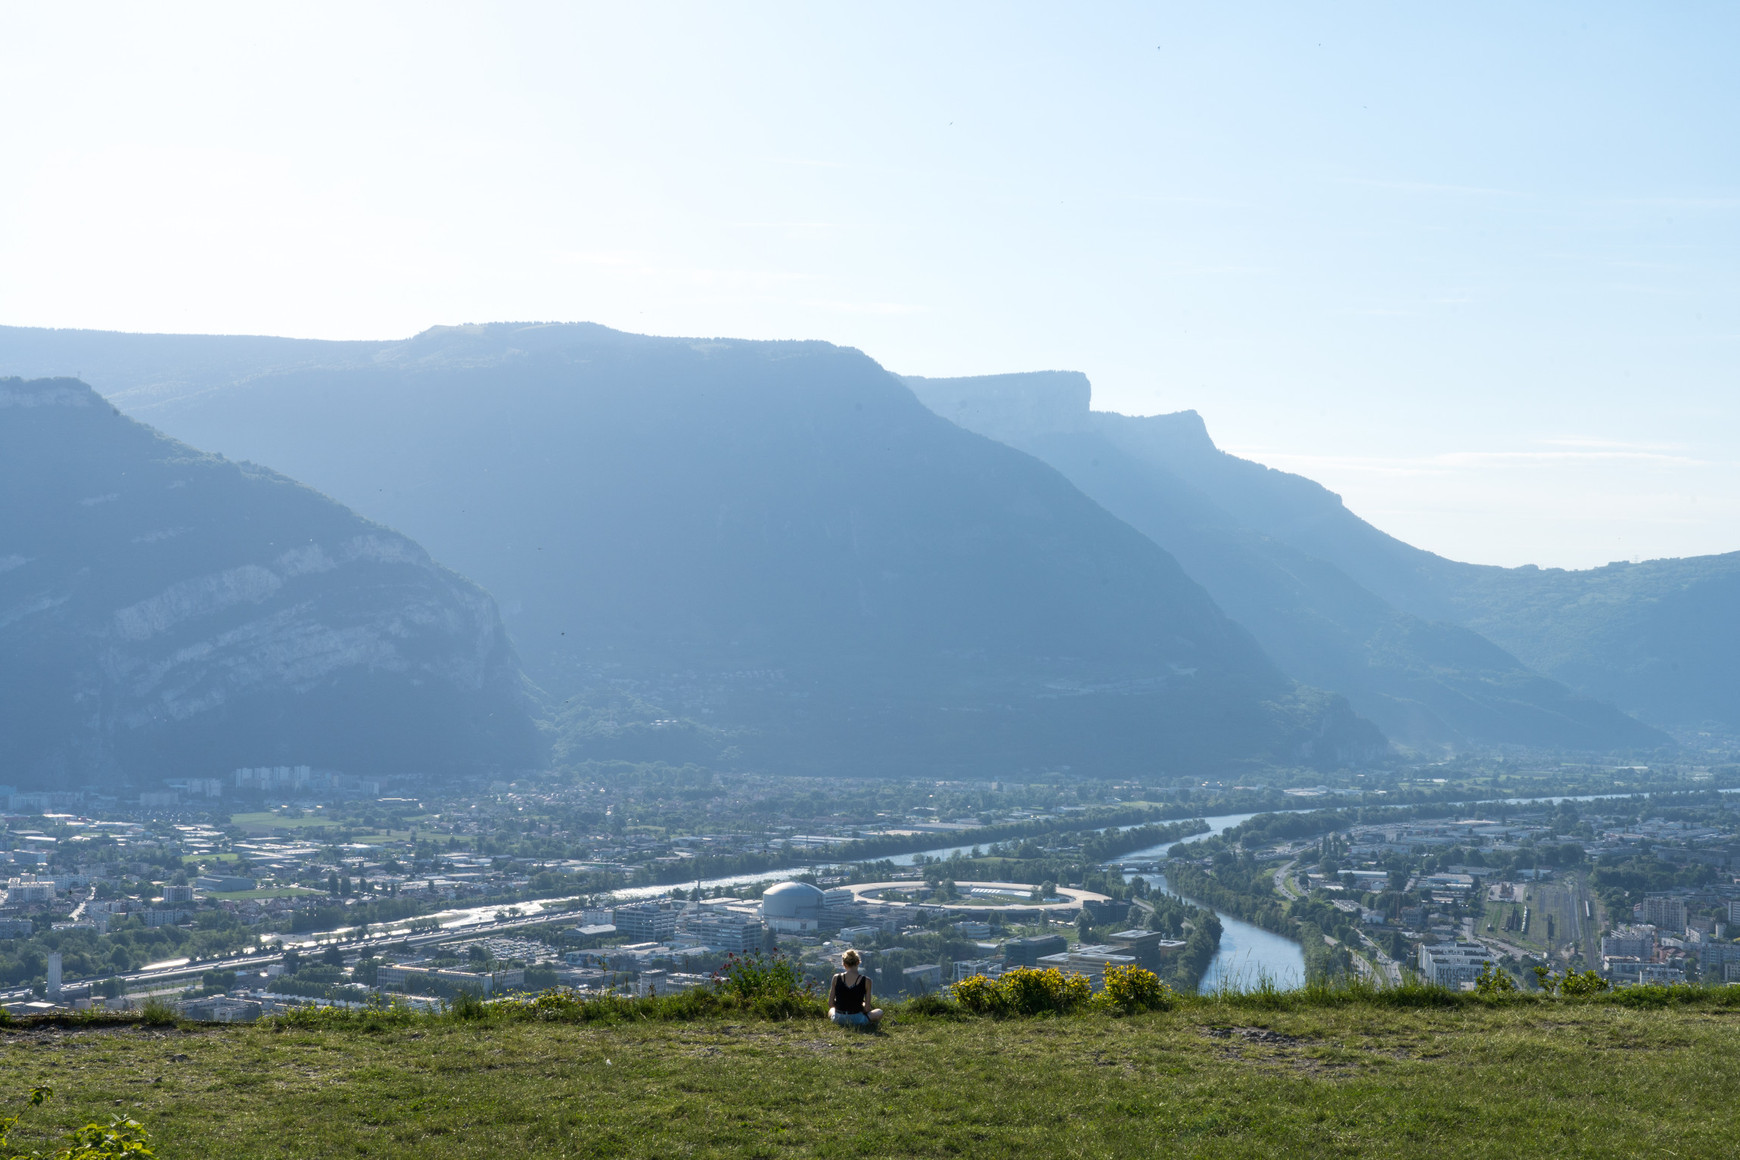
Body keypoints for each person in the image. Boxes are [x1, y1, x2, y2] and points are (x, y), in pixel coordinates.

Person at [828, 949, 882, 1028]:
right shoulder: (867, 981)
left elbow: (830, 1004)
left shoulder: (836, 978)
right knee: (879, 1012)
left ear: (844, 964)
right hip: (857, 1019)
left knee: (831, 1010)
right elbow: (867, 1008)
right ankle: (865, 1022)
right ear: (858, 962)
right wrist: (860, 1006)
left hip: (839, 1018)